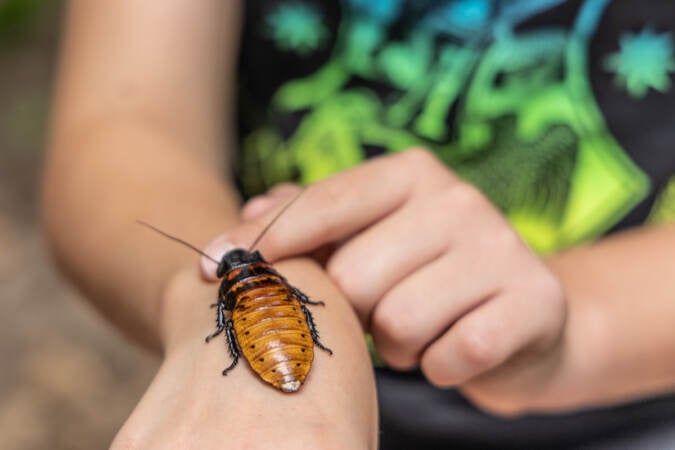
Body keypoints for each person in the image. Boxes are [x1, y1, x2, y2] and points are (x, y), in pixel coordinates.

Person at [43, 1, 675, 449]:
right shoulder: (256, 296)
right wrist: (191, 294)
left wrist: (580, 323)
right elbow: (123, 120)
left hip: (629, 415)